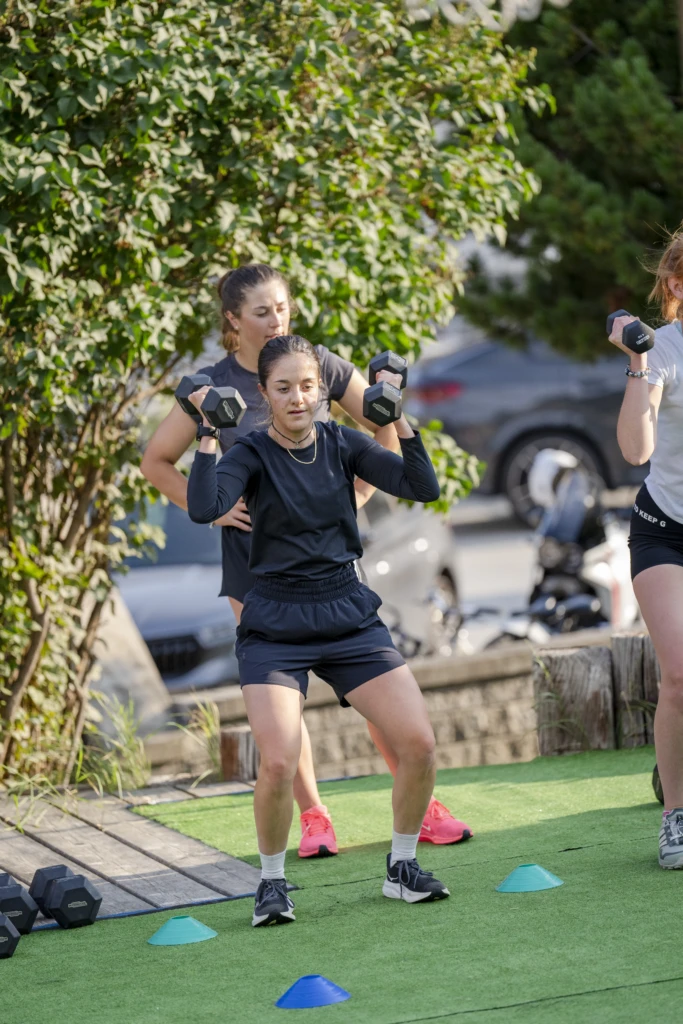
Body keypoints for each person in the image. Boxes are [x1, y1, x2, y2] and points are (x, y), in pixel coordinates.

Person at [141, 264, 471, 856]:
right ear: (233, 320)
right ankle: (315, 815)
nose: (276, 321)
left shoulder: (313, 365)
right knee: (281, 709)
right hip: (254, 564)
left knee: (371, 680)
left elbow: (381, 421)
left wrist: (360, 494)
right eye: (262, 312)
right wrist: (214, 511)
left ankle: (417, 801)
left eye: (284, 309)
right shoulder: (212, 387)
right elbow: (157, 462)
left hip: (329, 562)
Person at [186, 333, 450, 926]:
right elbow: (205, 506)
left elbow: (422, 487)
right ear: (264, 394)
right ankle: (272, 882)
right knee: (278, 762)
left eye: (308, 386)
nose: (298, 398)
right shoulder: (248, 454)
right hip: (274, 622)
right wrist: (206, 430)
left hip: (347, 613)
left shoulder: (343, 444)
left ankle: (401, 867)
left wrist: (397, 418)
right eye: (283, 388)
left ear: (324, 391)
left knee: (420, 745)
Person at [609, 228, 683, 869]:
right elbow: (637, 449)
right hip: (667, 531)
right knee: (681, 672)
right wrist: (637, 363)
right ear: (676, 286)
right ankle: (675, 817)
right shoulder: (664, 349)